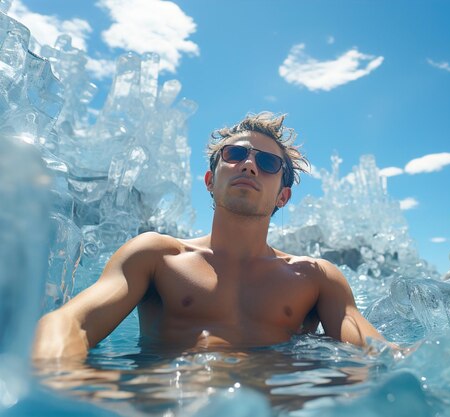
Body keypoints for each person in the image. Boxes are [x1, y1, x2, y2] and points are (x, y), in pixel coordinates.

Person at [32, 112, 385, 359]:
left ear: (283, 196)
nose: (248, 165)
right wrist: (60, 377)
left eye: (267, 163)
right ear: (210, 180)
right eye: (234, 154)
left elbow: (373, 348)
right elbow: (71, 323)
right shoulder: (157, 256)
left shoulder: (316, 277)